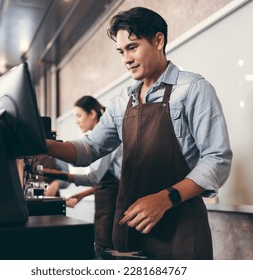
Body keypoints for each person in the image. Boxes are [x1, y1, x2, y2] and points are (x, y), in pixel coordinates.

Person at [45, 7, 232, 259]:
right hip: (131, 229)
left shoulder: (193, 89)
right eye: (121, 52)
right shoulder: (123, 100)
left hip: (180, 230)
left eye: (132, 47)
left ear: (158, 40)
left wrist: (166, 198)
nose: (126, 59)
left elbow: (217, 160)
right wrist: (42, 144)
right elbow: (90, 148)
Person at [43, 95, 122, 259]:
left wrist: (60, 176)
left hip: (113, 205)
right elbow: (100, 181)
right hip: (105, 203)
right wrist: (78, 194)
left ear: (92, 113)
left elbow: (94, 178)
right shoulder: (101, 140)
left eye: (79, 115)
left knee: (106, 250)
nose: (77, 121)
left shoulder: (107, 141)